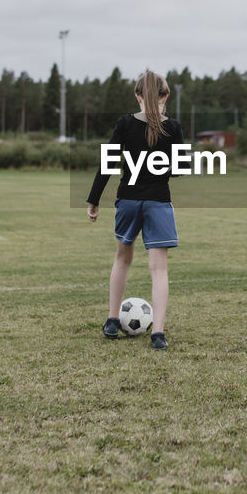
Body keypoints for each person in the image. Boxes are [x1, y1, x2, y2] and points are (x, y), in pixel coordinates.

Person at [86, 71, 184, 350]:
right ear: (165, 96)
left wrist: (94, 199)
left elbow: (107, 164)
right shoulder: (173, 127)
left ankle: (112, 320)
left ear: (137, 96)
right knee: (159, 270)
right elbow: (179, 170)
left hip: (127, 200)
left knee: (122, 259)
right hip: (158, 202)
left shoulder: (125, 124)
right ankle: (159, 334)